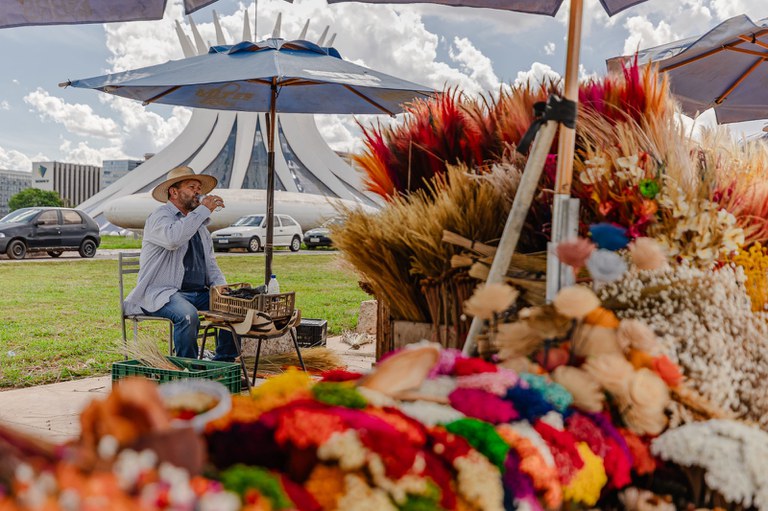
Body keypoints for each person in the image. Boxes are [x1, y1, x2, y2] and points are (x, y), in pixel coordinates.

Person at [124, 165, 237, 361]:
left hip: (198, 292)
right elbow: (173, 239)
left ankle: (223, 365)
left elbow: (210, 263)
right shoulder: (159, 217)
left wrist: (221, 287)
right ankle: (187, 369)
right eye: (192, 187)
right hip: (163, 292)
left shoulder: (199, 225)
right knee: (188, 316)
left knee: (235, 307)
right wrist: (202, 211)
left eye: (199, 188)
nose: (198, 192)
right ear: (173, 192)